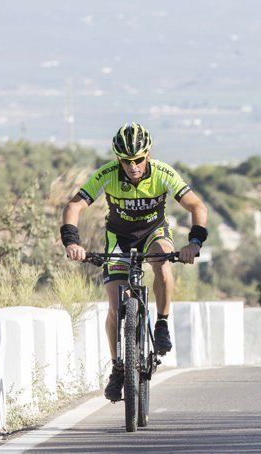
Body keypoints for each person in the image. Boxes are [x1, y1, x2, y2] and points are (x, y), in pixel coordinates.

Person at [61, 123, 208, 402]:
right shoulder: (108, 174)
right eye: (126, 161)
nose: (133, 166)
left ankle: (162, 323)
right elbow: (74, 206)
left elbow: (197, 206)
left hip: (154, 232)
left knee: (163, 264)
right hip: (120, 238)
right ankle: (118, 367)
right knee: (116, 306)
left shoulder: (163, 173)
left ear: (148, 155)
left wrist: (194, 243)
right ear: (119, 160)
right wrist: (72, 242)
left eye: (139, 159)